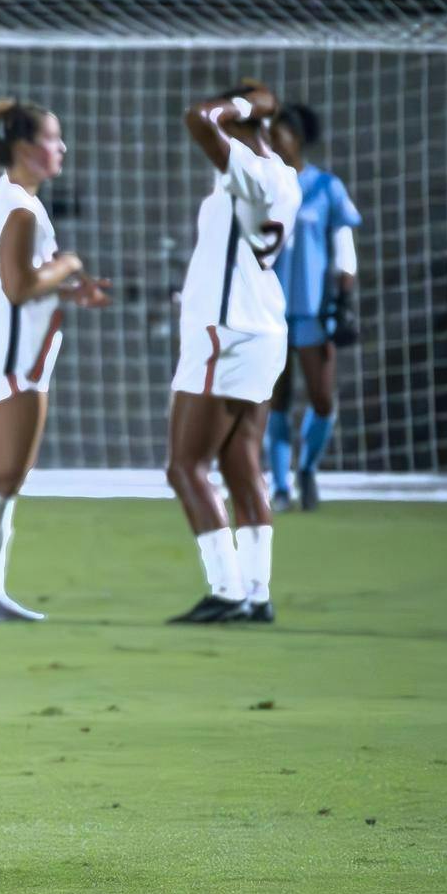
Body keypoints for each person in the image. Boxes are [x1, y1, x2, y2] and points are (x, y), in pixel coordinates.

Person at [0, 98, 110, 623]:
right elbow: (18, 286)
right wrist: (68, 264)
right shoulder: (18, 207)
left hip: (3, 354)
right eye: (52, 137)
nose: (61, 147)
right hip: (7, 360)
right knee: (0, 478)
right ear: (24, 148)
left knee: (3, 479)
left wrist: (66, 290)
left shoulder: (12, 202)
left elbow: (18, 286)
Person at [165, 81, 300, 625]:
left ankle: (226, 590)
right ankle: (258, 592)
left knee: (184, 467)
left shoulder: (252, 168)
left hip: (226, 331)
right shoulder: (285, 179)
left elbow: (197, 118)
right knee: (241, 464)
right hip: (261, 328)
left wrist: (239, 107)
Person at [265, 104, 362, 511]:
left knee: (321, 397)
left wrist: (343, 298)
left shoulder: (325, 187)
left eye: (280, 133)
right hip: (268, 306)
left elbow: (343, 244)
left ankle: (307, 469)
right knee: (277, 398)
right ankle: (281, 488)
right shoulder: (263, 185)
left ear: (298, 137)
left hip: (312, 307)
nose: (272, 140)